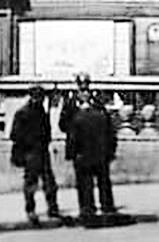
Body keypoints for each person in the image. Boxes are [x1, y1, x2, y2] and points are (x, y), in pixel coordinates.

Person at [9, 84, 64, 226]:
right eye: (37, 97)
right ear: (32, 97)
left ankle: (52, 208)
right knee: (31, 183)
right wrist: (29, 143)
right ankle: (31, 210)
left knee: (49, 183)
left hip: (42, 152)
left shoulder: (42, 112)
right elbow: (14, 134)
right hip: (30, 153)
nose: (39, 100)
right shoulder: (22, 113)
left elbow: (47, 131)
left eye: (41, 97)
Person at [65, 95, 118, 225]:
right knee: (104, 182)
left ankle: (87, 209)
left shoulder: (77, 119)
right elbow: (111, 135)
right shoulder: (102, 116)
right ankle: (107, 207)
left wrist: (71, 154)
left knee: (85, 184)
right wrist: (110, 152)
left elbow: (73, 139)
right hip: (101, 155)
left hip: (84, 156)